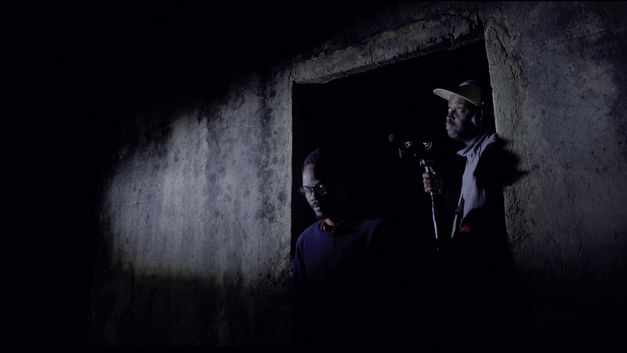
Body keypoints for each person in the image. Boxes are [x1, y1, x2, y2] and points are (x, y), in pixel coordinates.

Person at [423, 80, 519, 352]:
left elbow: (482, 215)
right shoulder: (471, 157)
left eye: (459, 110)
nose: (449, 115)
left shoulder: (489, 148)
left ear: (480, 115)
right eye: (449, 109)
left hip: (481, 272)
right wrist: (442, 192)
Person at [292, 148, 386, 351]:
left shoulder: (373, 233)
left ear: (339, 184)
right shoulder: (305, 242)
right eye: (307, 190)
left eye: (320, 188)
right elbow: (300, 307)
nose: (313, 197)